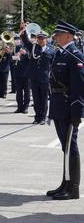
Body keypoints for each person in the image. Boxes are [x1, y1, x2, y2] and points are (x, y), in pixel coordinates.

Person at [47, 20, 84, 200]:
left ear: (68, 36)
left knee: (71, 146)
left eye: (59, 35)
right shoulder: (61, 53)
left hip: (69, 106)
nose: (56, 37)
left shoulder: (74, 54)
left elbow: (79, 85)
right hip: (58, 104)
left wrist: (77, 111)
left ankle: (73, 188)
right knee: (65, 147)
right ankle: (65, 183)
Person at [21, 24, 55, 125]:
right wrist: (23, 31)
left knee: (44, 99)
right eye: (39, 38)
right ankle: (37, 117)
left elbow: (53, 65)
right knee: (36, 99)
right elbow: (26, 41)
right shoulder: (33, 47)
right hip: (34, 77)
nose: (40, 40)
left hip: (45, 78)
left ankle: (43, 117)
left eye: (42, 38)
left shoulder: (51, 50)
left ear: (46, 39)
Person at [12, 43, 30, 113]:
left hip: (27, 73)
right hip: (17, 72)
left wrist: (25, 53)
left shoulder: (29, 46)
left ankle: (25, 107)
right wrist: (16, 57)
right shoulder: (16, 47)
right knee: (18, 92)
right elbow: (12, 59)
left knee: (27, 92)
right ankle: (19, 107)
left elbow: (31, 58)